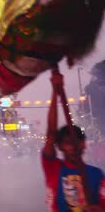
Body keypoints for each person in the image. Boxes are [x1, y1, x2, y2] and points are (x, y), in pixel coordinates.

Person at [42, 70, 105, 212]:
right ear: (60, 146)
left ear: (84, 144)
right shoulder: (53, 168)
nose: (74, 146)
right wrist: (55, 91)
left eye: (77, 141)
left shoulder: (97, 174)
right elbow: (51, 132)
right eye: (68, 142)